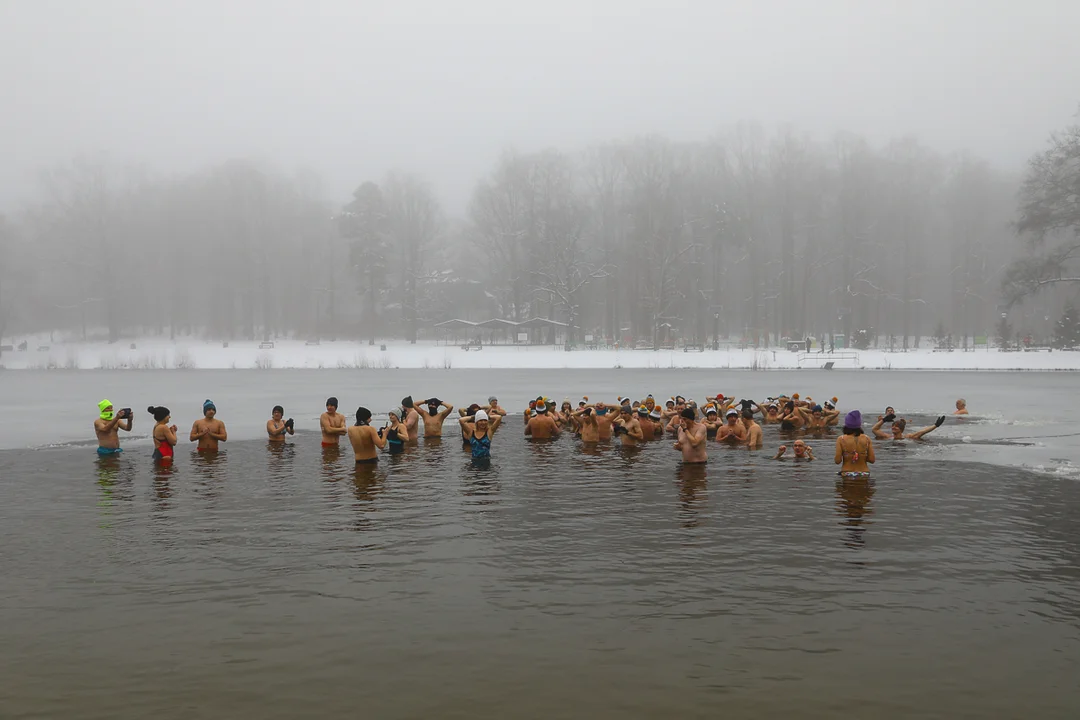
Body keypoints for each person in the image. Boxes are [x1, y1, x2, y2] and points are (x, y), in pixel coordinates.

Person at [835, 410, 874, 476]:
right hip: (864, 473)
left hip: (847, 473)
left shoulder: (841, 439)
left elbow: (837, 461)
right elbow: (872, 460)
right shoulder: (867, 439)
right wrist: (862, 456)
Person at [873, 414, 946, 440]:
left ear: (901, 429)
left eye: (896, 427)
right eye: (893, 426)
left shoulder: (908, 437)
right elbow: (874, 430)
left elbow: (922, 432)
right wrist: (884, 420)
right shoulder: (888, 437)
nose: (893, 428)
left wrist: (936, 425)